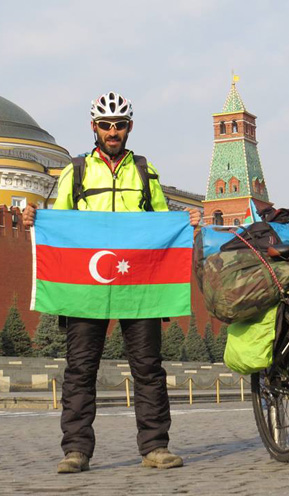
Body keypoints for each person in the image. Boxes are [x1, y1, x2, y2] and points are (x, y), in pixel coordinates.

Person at [23, 91, 201, 474]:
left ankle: (155, 447)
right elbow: (60, 222)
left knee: (148, 368)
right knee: (80, 369)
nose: (113, 131)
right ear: (94, 128)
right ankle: (76, 451)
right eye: (105, 125)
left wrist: (182, 224)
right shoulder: (77, 171)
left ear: (129, 127)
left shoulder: (144, 170)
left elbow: (159, 219)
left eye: (119, 124)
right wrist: (37, 221)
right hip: (87, 287)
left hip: (137, 284)